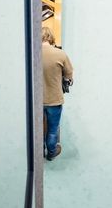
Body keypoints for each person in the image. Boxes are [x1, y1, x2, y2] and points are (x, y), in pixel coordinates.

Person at [41, 26, 73, 160]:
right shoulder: (60, 54)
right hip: (54, 99)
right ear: (50, 38)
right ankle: (52, 152)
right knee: (53, 128)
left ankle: (38, 151)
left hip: (35, 100)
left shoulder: (31, 53)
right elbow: (69, 76)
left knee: (37, 127)